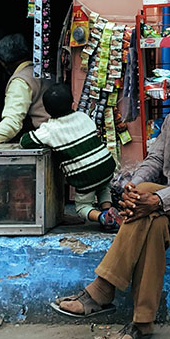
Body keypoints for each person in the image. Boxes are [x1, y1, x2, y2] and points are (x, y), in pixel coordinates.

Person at [53, 50, 170, 339]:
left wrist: (156, 198)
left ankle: (101, 290)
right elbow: (154, 160)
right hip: (168, 205)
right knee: (153, 223)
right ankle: (140, 325)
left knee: (151, 202)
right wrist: (132, 188)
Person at [20, 83, 121, 232]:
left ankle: (102, 217)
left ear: (46, 110)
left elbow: (25, 141)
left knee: (82, 207)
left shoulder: (49, 130)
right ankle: (108, 210)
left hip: (85, 177)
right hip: (106, 165)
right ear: (72, 103)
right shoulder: (83, 116)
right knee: (103, 186)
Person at [0, 33, 52, 145]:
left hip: (40, 139)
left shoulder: (21, 81)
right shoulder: (45, 72)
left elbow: (12, 123)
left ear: (3, 62)